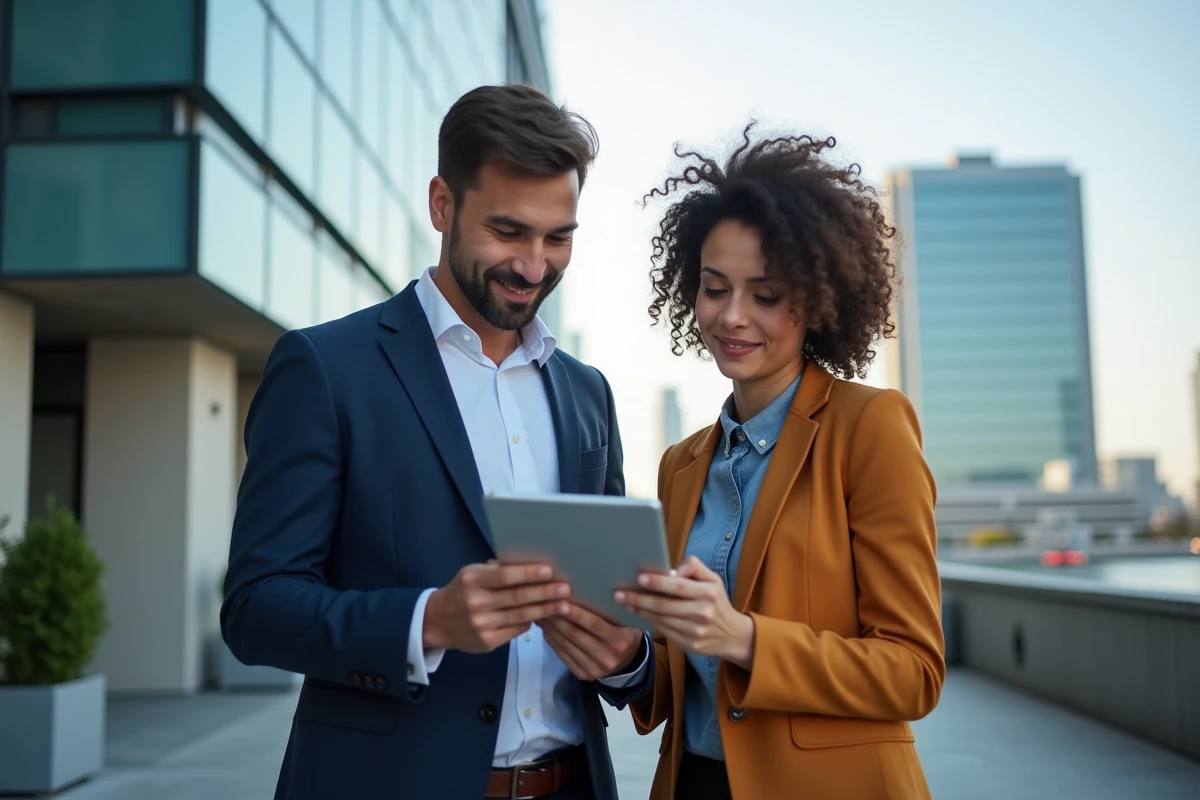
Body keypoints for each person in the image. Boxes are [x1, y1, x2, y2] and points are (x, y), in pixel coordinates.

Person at [221, 84, 646, 800]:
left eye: (558, 238)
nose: (534, 266)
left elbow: (614, 602)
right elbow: (256, 608)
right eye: (508, 232)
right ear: (442, 205)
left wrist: (630, 655)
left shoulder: (588, 392)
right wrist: (428, 622)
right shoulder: (326, 368)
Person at [616, 126, 945, 799]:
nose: (733, 317)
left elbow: (914, 672)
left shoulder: (870, 428)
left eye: (765, 296)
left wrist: (744, 638)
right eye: (714, 288)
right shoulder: (681, 465)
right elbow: (680, 679)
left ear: (817, 300)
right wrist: (625, 657)